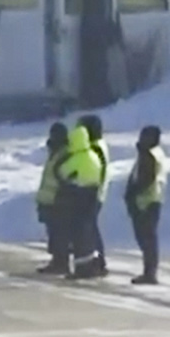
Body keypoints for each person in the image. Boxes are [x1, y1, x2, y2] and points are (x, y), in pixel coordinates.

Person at [59, 121, 107, 279]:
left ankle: (81, 268)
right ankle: (93, 264)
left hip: (78, 197)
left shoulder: (78, 158)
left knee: (78, 235)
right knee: (89, 233)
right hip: (92, 196)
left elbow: (62, 172)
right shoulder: (93, 156)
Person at [123, 125, 167, 285]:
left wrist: (132, 193)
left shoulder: (149, 154)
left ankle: (149, 273)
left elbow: (145, 179)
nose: (141, 139)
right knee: (148, 238)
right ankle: (149, 272)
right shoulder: (154, 153)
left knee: (146, 238)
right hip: (152, 200)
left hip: (145, 201)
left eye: (145, 136)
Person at [35, 123, 70, 275]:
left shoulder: (64, 153)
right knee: (53, 234)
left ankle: (61, 263)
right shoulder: (53, 152)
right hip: (48, 199)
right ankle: (57, 261)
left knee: (59, 234)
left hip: (58, 200)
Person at [78, 115, 110, 275]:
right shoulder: (98, 145)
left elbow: (98, 170)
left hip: (93, 193)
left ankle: (97, 262)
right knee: (91, 228)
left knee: (89, 229)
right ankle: (98, 261)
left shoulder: (95, 148)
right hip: (96, 192)